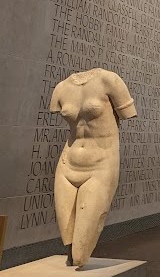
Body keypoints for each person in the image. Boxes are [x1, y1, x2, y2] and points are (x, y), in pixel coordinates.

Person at [50, 68, 137, 267]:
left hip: (101, 163)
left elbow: (127, 114)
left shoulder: (109, 80)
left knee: (82, 246)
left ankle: (78, 259)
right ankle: (72, 259)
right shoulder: (61, 88)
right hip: (67, 162)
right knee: (66, 232)